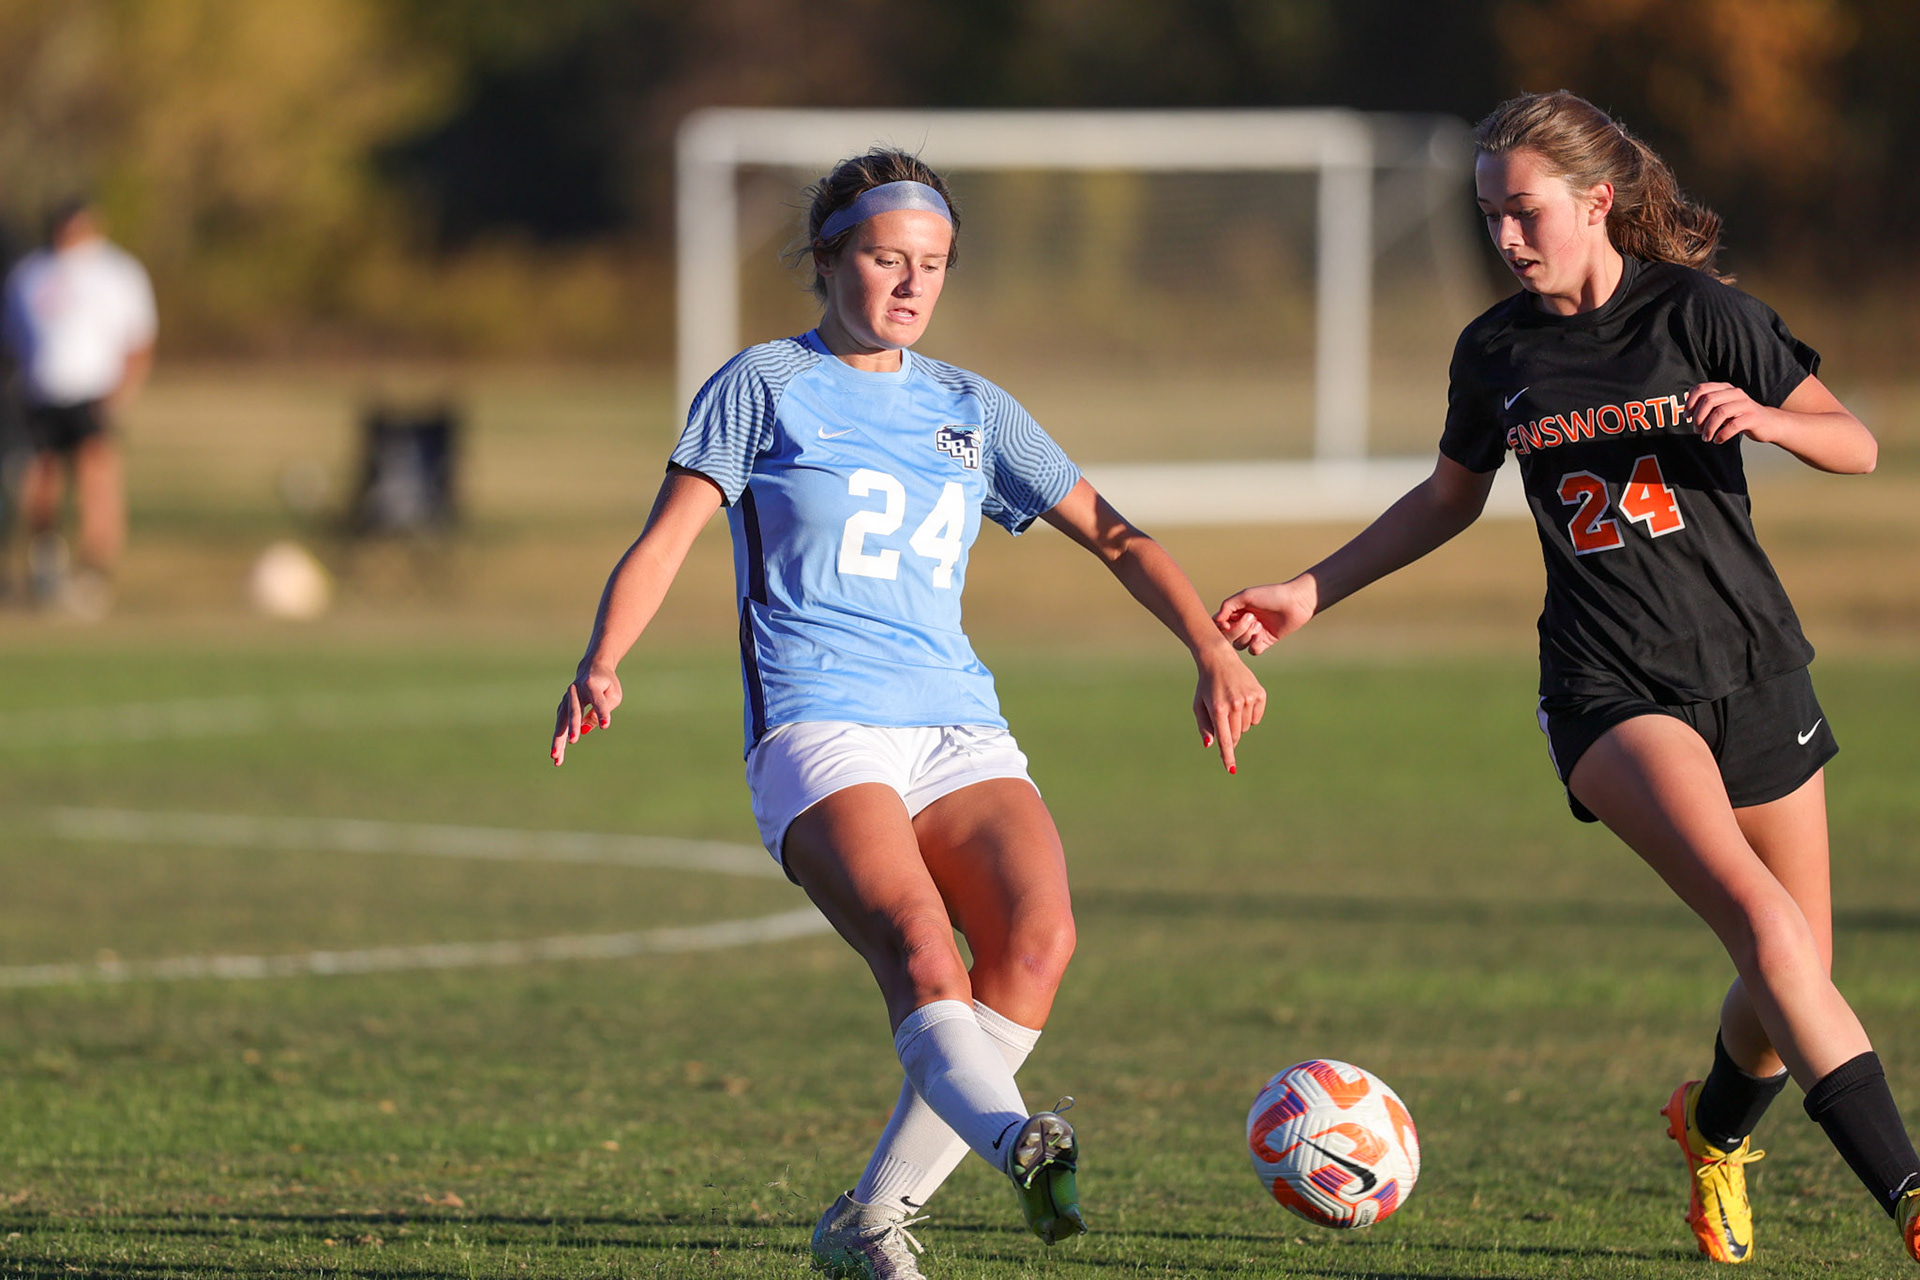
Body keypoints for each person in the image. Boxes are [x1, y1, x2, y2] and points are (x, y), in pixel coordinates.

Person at [1215, 91, 1919, 1267]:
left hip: (1754, 665)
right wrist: (1310, 588)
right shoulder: (1497, 351)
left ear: (1597, 201)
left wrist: (1768, 420)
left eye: (1524, 211)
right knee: (1766, 929)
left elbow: (1857, 438)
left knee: (1800, 963)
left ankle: (1710, 1128)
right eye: (1489, 214)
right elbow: (1449, 496)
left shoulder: (1699, 311)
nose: (1503, 236)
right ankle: (1907, 1193)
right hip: (1609, 683)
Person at [550, 148, 1265, 1279]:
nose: (911, 282)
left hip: (955, 725)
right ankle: (1018, 1141)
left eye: (932, 263)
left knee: (1038, 941)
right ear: (829, 259)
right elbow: (670, 533)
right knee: (922, 944)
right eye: (887, 257)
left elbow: (1117, 533)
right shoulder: (764, 383)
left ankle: (869, 1218)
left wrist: (1211, 646)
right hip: (817, 722)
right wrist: (603, 657)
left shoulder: (973, 408)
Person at [1, 197, 156, 617]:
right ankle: (46, 564)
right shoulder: (30, 273)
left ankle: (94, 574)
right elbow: (12, 341)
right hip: (40, 393)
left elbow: (138, 341)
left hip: (93, 392)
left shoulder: (117, 272)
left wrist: (122, 394)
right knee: (40, 481)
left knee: (96, 480)